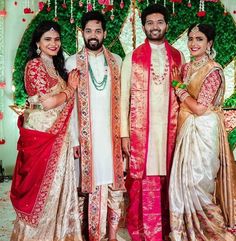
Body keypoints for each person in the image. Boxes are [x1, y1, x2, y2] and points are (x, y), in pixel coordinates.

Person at [10, 20, 83, 241]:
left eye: (57, 39)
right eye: (48, 39)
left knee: (58, 190)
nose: (54, 43)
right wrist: (70, 89)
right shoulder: (34, 65)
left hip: (59, 138)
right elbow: (48, 103)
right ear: (38, 43)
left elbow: (60, 104)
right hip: (42, 138)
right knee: (41, 192)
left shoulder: (57, 68)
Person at [121, 3, 185, 241]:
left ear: (166, 25)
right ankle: (142, 230)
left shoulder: (178, 56)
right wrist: (124, 134)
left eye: (159, 22)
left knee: (168, 176)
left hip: (170, 131)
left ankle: (166, 228)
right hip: (141, 133)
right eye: (150, 23)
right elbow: (123, 100)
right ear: (144, 26)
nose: (154, 27)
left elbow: (183, 93)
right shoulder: (132, 57)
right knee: (141, 180)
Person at [169, 23, 236, 240]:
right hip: (186, 129)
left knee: (198, 182)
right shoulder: (186, 68)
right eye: (191, 38)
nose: (193, 43)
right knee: (182, 183)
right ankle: (187, 232)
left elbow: (199, 108)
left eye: (199, 39)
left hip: (204, 131)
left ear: (210, 44)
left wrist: (180, 90)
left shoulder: (213, 70)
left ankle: (210, 230)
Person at [65, 11, 125, 241]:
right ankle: (91, 236)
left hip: (112, 136)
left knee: (114, 187)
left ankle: (112, 235)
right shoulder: (72, 62)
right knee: (88, 189)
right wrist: (74, 140)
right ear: (82, 33)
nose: (93, 35)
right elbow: (69, 106)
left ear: (105, 33)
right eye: (88, 31)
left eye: (98, 31)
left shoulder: (117, 61)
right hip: (86, 138)